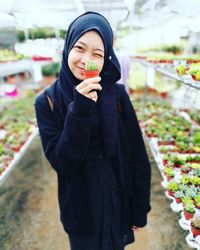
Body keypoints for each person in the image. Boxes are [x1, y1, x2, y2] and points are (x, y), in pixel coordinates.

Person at [34, 12, 151, 250]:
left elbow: (138, 156)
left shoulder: (116, 95)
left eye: (97, 54)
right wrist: (80, 109)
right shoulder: (48, 101)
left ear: (106, 59)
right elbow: (62, 162)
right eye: (80, 48)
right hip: (79, 203)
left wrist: (139, 208)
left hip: (117, 193)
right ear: (67, 47)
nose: (86, 60)